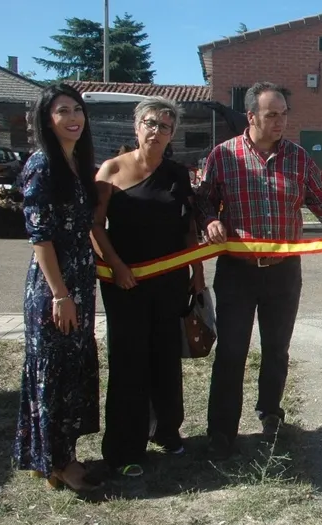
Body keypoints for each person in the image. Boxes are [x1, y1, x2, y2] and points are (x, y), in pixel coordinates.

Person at [197, 82, 322, 459]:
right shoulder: (223, 156)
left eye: (284, 114)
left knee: (277, 349)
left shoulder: (298, 158)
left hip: (283, 273)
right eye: (272, 115)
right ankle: (221, 432)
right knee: (231, 351)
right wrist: (210, 221)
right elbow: (203, 202)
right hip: (237, 272)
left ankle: (271, 416)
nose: (280, 122)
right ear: (251, 117)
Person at [91, 97, 204, 477]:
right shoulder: (111, 170)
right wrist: (117, 266)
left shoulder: (177, 174)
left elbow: (188, 228)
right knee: (129, 362)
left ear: (172, 134)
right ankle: (125, 449)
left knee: (166, 357)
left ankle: (167, 432)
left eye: (165, 126)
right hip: (125, 284)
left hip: (170, 281)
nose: (157, 131)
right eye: (151, 123)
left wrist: (197, 273)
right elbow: (94, 226)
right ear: (137, 127)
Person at [13, 83, 101, 492]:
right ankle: (60, 463)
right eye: (63, 111)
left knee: (70, 370)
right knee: (54, 373)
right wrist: (61, 295)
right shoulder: (43, 165)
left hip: (80, 283)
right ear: (47, 120)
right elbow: (40, 238)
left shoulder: (76, 163)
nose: (73, 118)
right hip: (55, 288)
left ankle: (47, 456)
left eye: (77, 109)